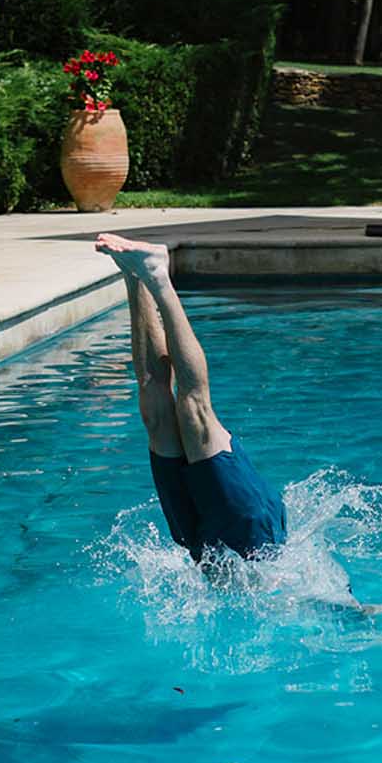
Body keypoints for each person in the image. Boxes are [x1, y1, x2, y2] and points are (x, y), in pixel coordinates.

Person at [96, 234, 287, 564]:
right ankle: (160, 278)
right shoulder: (271, 554)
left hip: (197, 541)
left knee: (154, 412)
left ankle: (134, 275)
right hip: (252, 537)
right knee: (194, 414)